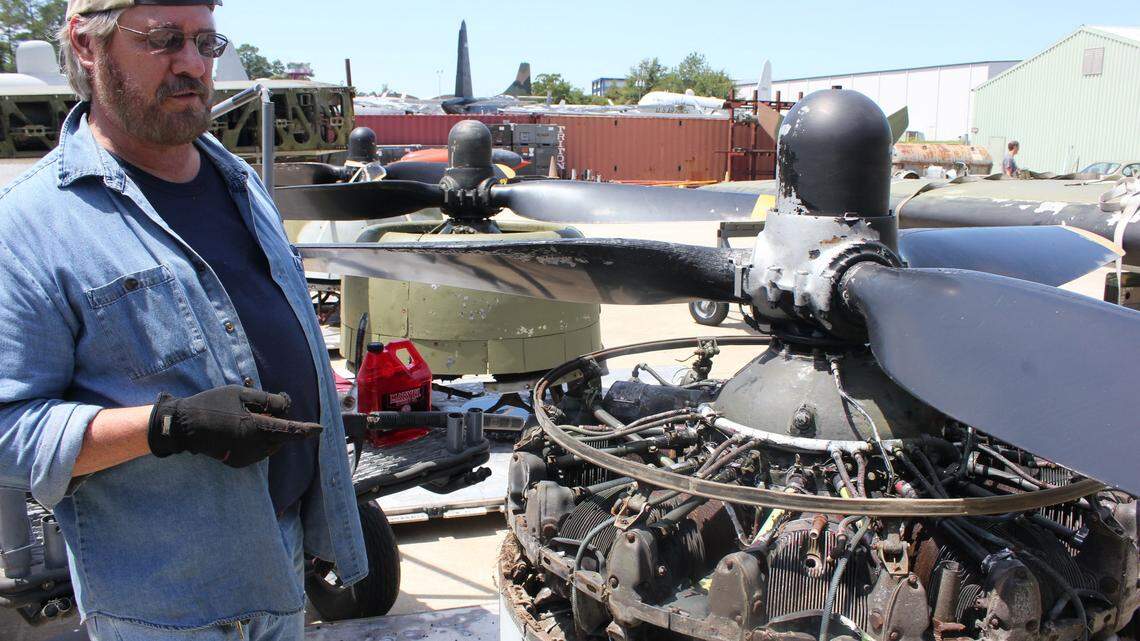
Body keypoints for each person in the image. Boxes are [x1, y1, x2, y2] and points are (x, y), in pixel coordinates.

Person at [0, 1, 366, 639]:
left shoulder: (241, 185)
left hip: (279, 566)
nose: (193, 64)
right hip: (167, 605)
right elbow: (9, 428)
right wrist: (169, 426)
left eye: (205, 41)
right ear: (88, 47)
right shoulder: (31, 226)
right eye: (164, 40)